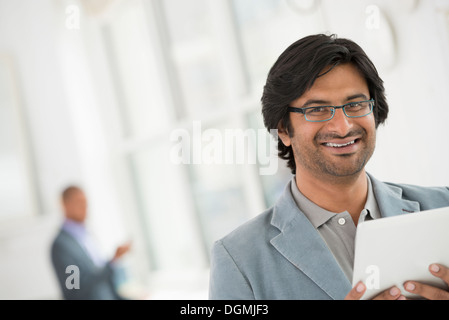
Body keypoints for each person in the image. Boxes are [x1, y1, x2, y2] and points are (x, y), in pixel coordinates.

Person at [208, 33, 449, 300]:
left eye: (355, 104)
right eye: (318, 110)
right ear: (284, 130)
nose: (343, 127)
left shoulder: (443, 206)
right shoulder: (239, 260)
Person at [50, 185, 132, 300]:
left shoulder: (88, 237)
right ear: (65, 205)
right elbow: (75, 289)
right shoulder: (61, 245)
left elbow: (104, 284)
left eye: (86, 203)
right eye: (79, 203)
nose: (85, 207)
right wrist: (111, 263)